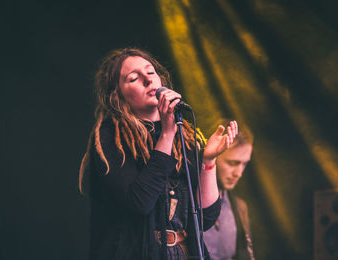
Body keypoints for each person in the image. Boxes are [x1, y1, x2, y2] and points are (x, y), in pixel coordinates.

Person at [78, 48, 238, 260]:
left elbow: (204, 220)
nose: (147, 80)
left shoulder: (185, 137)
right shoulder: (110, 137)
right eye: (133, 78)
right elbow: (140, 202)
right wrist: (167, 133)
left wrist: (208, 161)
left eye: (151, 73)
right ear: (117, 96)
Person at [203, 124, 255, 260]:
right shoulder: (185, 203)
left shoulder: (240, 208)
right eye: (233, 163)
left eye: (244, 164)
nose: (239, 173)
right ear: (214, 154)